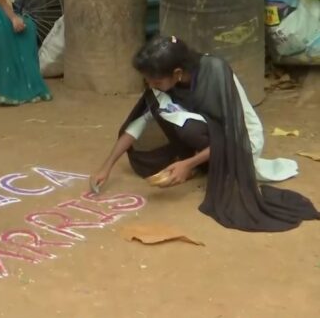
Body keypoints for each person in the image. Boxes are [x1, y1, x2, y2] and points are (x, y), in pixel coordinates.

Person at [93, 35, 319, 232]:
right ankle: (199, 163)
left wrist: (188, 164)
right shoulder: (162, 84)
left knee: (189, 127)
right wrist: (107, 166)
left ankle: (199, 163)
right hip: (206, 136)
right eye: (147, 80)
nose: (151, 84)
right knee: (161, 112)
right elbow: (138, 124)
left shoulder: (216, 72)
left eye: (156, 80)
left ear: (178, 73)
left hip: (241, 141)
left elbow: (233, 135)